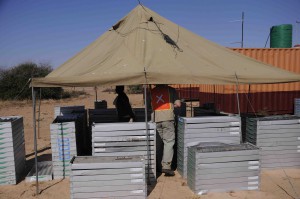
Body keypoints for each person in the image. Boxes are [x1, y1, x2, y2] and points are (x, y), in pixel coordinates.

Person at [150, 84, 181, 176]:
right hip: (168, 118)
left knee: (158, 143)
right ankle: (166, 166)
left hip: (155, 119)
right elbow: (178, 104)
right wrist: (172, 104)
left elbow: (148, 105)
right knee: (169, 142)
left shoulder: (151, 91)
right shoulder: (171, 90)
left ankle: (157, 166)